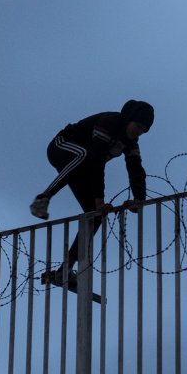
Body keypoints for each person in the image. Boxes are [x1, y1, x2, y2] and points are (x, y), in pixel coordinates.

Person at [30, 99, 154, 283]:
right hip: (62, 146)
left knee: (94, 215)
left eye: (143, 129)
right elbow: (97, 163)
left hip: (84, 166)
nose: (139, 131)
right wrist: (100, 200)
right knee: (86, 155)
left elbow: (136, 169)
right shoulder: (109, 123)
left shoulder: (131, 143)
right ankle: (43, 198)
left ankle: (65, 269)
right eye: (138, 125)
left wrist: (138, 199)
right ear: (129, 119)